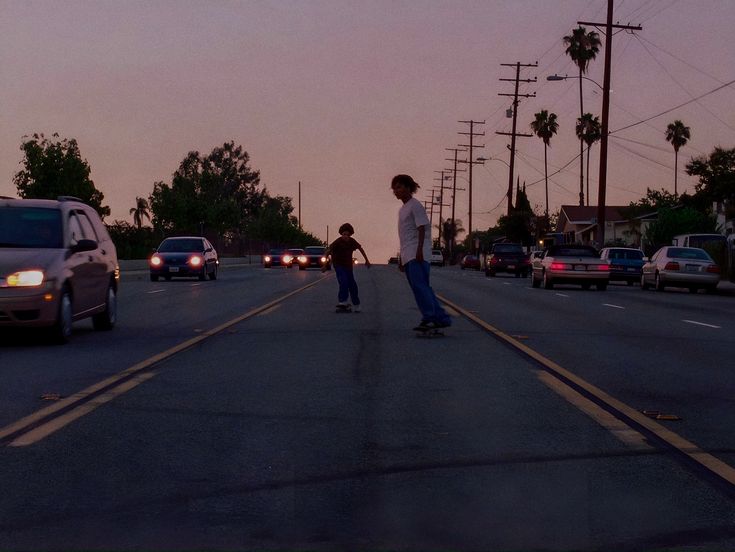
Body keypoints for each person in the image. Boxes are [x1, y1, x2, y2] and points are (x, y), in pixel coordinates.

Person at [391, 174, 451, 330]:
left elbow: (422, 228)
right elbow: (404, 235)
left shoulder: (415, 205)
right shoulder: (403, 209)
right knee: (420, 287)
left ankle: (431, 317)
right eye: (394, 188)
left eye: (399, 187)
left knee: (420, 286)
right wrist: (401, 259)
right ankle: (440, 318)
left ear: (409, 188)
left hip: (418, 253)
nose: (396, 191)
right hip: (408, 254)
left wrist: (419, 251)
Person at [324, 223, 371, 312]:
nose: (345, 236)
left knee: (352, 285)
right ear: (341, 234)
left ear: (350, 235)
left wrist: (367, 260)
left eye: (347, 235)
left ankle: (356, 304)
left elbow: (361, 249)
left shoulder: (352, 241)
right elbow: (328, 251)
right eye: (344, 234)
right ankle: (343, 301)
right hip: (338, 265)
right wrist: (324, 265)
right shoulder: (337, 242)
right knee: (343, 281)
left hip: (348, 266)